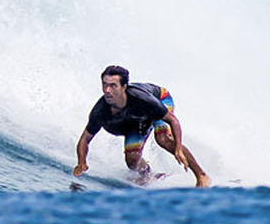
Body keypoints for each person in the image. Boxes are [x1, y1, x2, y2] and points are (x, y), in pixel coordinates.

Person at [73, 65, 212, 187]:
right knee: (131, 160)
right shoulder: (100, 111)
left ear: (124, 87)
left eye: (113, 86)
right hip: (136, 119)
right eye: (105, 85)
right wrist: (81, 163)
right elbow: (84, 139)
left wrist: (178, 149)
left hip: (161, 99)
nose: (107, 90)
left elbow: (173, 121)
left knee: (163, 139)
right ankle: (148, 176)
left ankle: (201, 175)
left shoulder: (142, 99)